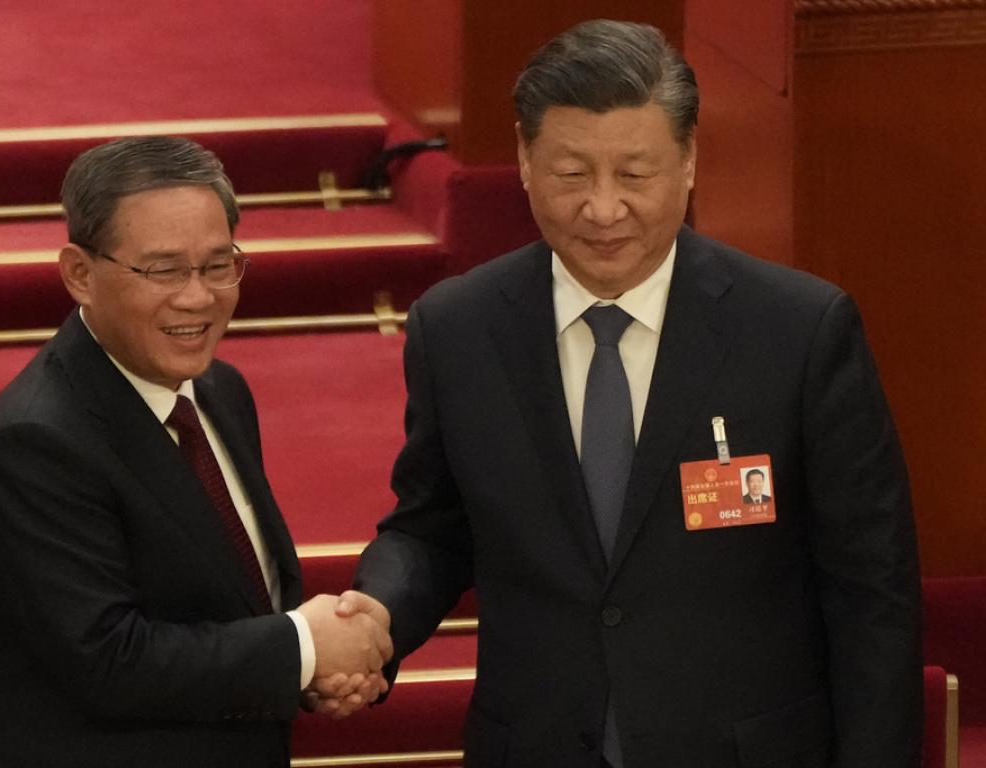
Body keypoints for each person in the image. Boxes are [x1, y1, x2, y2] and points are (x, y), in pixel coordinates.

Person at [344, 19, 922, 768]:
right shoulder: (458, 329)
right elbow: (432, 528)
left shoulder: (799, 333)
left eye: (636, 175)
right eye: (572, 173)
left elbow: (873, 592)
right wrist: (375, 616)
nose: (604, 209)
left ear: (688, 160)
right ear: (524, 159)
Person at [0, 136, 391, 768]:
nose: (198, 297)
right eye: (164, 270)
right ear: (80, 274)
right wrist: (303, 649)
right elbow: (109, 661)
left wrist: (309, 669)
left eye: (218, 266)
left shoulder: (220, 390)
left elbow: (240, 599)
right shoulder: (33, 442)